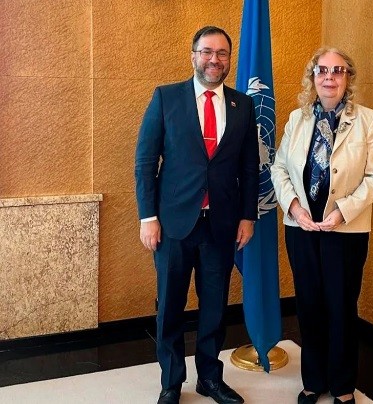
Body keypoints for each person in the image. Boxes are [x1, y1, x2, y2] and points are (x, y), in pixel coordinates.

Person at [135, 26, 259, 404]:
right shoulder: (166, 97)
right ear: (193, 55)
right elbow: (145, 162)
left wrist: (247, 216)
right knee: (170, 306)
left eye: (222, 53)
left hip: (221, 225)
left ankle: (209, 378)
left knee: (215, 308)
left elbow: (250, 167)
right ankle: (171, 383)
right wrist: (148, 217)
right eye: (207, 52)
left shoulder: (242, 105)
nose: (214, 59)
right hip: (173, 224)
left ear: (229, 59)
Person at [270, 47, 373, 404]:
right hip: (301, 228)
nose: (329, 77)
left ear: (348, 77)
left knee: (341, 307)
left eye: (338, 70)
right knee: (309, 305)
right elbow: (279, 168)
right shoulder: (298, 119)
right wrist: (294, 207)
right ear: (313, 77)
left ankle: (343, 386)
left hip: (345, 231)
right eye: (322, 70)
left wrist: (342, 212)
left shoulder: (369, 120)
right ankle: (313, 381)